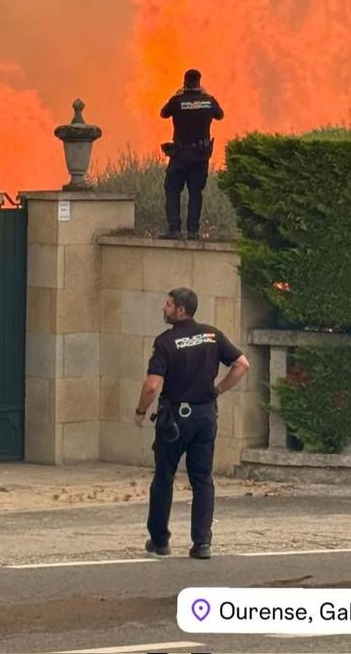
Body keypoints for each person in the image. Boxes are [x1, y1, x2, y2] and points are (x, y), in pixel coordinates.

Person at [134, 287, 250, 559]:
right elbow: (242, 364)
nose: (164, 308)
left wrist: (140, 410)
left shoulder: (165, 341)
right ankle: (202, 543)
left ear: (181, 310)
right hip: (205, 415)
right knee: (202, 480)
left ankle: (160, 541)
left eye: (169, 304)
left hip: (174, 419)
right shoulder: (212, 334)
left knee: (164, 478)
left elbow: (152, 385)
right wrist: (217, 390)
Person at [159, 69, 224, 240]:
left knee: (172, 189)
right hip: (200, 156)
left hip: (180, 155)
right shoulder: (208, 101)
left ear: (185, 82)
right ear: (199, 82)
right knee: (196, 192)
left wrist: (177, 95)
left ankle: (174, 229)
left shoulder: (177, 101)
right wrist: (205, 94)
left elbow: (163, 113)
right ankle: (193, 231)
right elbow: (220, 115)